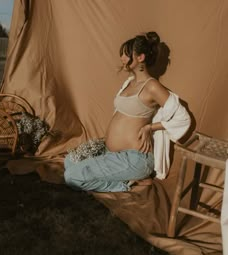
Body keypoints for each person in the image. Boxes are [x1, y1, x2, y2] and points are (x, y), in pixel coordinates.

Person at [64, 32, 191, 192]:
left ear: (141, 57)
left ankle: (127, 184)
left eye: (126, 54)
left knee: (71, 177)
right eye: (122, 54)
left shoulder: (152, 86)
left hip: (135, 158)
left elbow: (182, 117)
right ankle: (130, 177)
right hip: (110, 152)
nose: (122, 58)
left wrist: (150, 128)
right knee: (69, 161)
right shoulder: (129, 83)